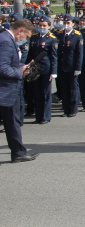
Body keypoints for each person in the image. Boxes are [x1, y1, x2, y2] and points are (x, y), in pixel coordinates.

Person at [0, 19, 38, 163]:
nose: (24, 40)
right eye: (26, 36)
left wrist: (23, 66)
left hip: (8, 89)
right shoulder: (5, 41)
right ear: (21, 30)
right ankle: (18, 152)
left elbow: (10, 63)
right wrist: (21, 72)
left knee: (13, 122)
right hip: (5, 90)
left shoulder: (6, 39)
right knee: (12, 123)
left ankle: (18, 151)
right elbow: (2, 67)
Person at [26, 16, 58, 125]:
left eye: (44, 26)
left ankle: (46, 116)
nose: (42, 27)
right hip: (35, 69)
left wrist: (54, 71)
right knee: (37, 93)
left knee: (45, 94)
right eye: (40, 25)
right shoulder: (34, 38)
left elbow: (54, 57)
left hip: (46, 69)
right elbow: (30, 54)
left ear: (49, 26)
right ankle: (38, 116)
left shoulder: (52, 39)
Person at [57, 16, 83, 118]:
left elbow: (79, 53)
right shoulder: (59, 35)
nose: (66, 24)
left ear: (73, 24)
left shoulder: (77, 36)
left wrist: (78, 68)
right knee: (64, 89)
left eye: (68, 22)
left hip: (72, 66)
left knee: (73, 88)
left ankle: (73, 109)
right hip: (62, 66)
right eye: (64, 22)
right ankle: (66, 109)